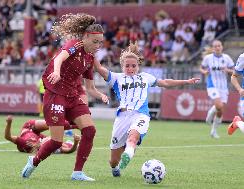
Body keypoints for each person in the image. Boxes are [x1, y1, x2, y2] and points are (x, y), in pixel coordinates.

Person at [21, 13, 109, 181]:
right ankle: (34, 160)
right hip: (56, 95)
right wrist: (56, 71)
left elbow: (90, 88)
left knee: (89, 130)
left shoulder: (89, 58)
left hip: (72, 96)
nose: (98, 46)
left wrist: (100, 95)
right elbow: (60, 57)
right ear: (86, 37)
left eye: (100, 42)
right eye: (95, 41)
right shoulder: (75, 44)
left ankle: (77, 173)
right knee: (56, 141)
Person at [94, 42, 200, 177]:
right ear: (122, 66)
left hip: (141, 115)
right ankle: (116, 167)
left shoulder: (146, 77)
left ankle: (128, 154)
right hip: (122, 117)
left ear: (138, 66)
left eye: (134, 66)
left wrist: (186, 81)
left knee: (132, 139)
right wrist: (90, 52)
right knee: (113, 160)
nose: (130, 68)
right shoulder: (116, 78)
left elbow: (165, 83)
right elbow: (99, 68)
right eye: (127, 66)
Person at [199, 40, 234, 138]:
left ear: (222, 47)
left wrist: (227, 70)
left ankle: (213, 131)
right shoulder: (208, 58)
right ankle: (210, 113)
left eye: (219, 46)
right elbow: (201, 68)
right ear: (213, 48)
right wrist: (204, 72)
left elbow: (234, 71)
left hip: (223, 87)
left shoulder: (227, 58)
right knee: (218, 105)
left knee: (220, 111)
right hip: (212, 85)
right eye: (215, 46)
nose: (217, 47)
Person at [4, 115, 80, 154]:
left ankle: (78, 124)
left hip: (29, 127)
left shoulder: (26, 143)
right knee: (55, 127)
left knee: (52, 124)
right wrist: (75, 143)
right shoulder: (51, 147)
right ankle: (80, 125)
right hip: (38, 138)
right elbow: (69, 150)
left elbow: (8, 137)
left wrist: (9, 123)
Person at [228, 52, 244, 135]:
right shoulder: (243, 57)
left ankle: (237, 123)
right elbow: (233, 77)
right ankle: (237, 122)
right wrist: (240, 89)